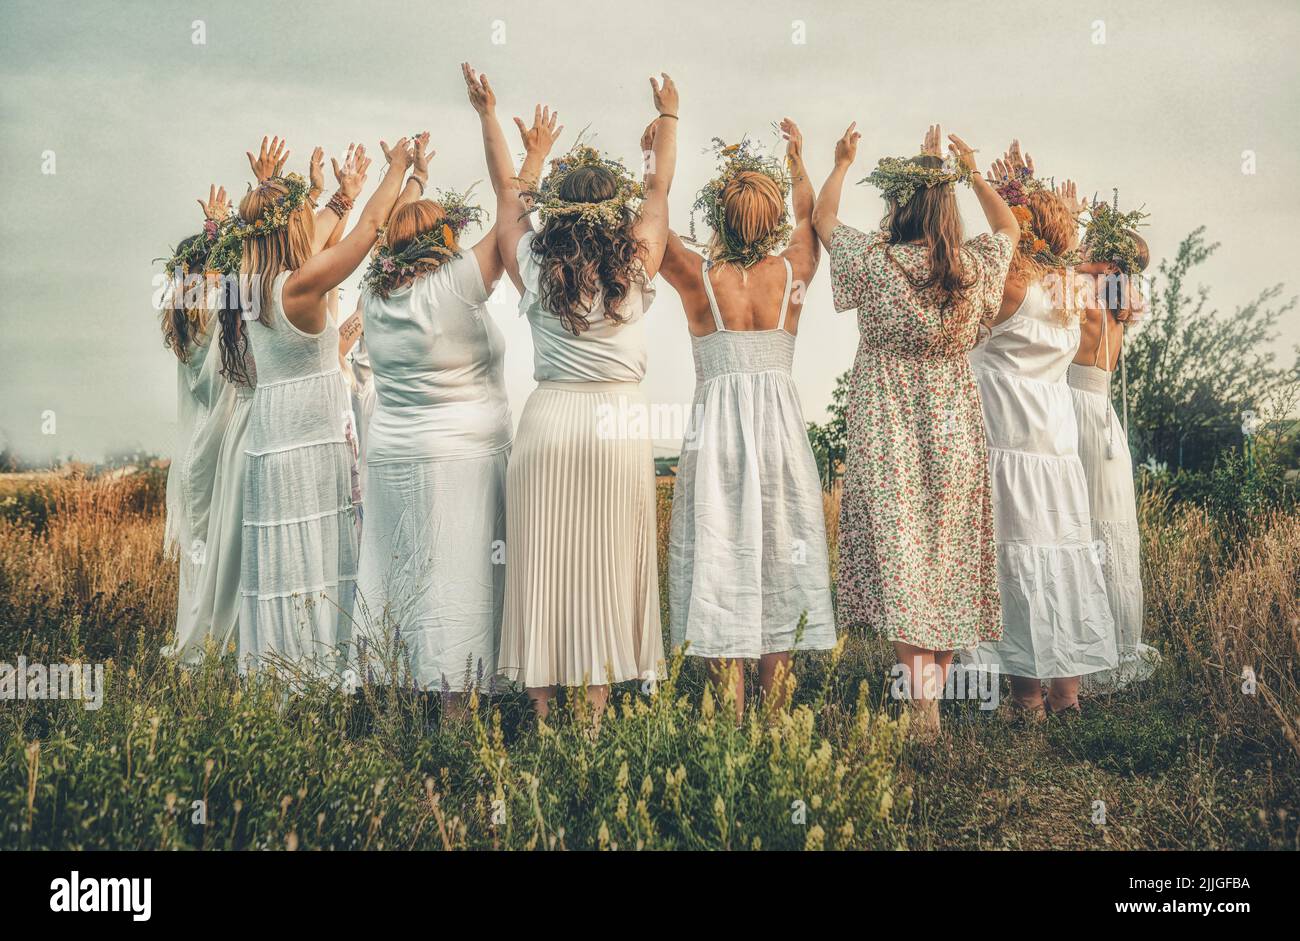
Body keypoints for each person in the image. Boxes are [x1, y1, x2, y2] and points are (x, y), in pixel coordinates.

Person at [465, 63, 676, 719]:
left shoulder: (532, 261)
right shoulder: (636, 258)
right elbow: (660, 189)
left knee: (543, 571)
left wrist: (512, 138)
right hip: (616, 424)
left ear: (556, 210)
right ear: (614, 211)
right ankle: (592, 714)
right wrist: (668, 119)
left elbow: (509, 200)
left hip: (549, 421)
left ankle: (543, 713)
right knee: (606, 571)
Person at [812, 123, 1018, 737]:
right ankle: (932, 691)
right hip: (954, 417)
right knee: (948, 557)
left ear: (897, 205)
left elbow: (824, 221)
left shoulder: (874, 262)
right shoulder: (974, 267)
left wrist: (844, 163)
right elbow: (1008, 230)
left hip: (888, 421)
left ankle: (922, 703)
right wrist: (972, 172)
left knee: (904, 556)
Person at [659, 122, 836, 719]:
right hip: (780, 437)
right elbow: (811, 222)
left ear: (720, 214)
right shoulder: (793, 271)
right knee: (780, 562)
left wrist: (657, 151)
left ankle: (729, 718)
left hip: (718, 437)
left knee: (721, 559)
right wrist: (800, 162)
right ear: (773, 220)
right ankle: (777, 717)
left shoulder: (697, 276)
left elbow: (651, 229)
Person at [232, 133, 415, 677]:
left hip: (272, 437)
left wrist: (334, 194)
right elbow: (367, 235)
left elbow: (304, 234)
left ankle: (278, 672)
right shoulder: (299, 286)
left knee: (283, 559)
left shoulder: (250, 282)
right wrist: (398, 172)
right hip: (309, 439)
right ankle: (314, 674)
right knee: (314, 553)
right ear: (291, 228)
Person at [354, 119, 510, 710]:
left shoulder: (373, 295)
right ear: (446, 241)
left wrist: (413, 177)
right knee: (459, 587)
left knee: (396, 578)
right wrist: (531, 155)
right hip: (463, 460)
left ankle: (389, 707)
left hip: (393, 459)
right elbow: (510, 217)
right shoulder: (461, 280)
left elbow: (393, 234)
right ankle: (455, 721)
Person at [960, 143, 1118, 716]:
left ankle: (1026, 697)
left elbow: (988, 260)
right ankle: (1067, 693)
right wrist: (1061, 221)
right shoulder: (1073, 292)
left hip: (1006, 443)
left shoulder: (1007, 287)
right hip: (1056, 450)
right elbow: (1067, 256)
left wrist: (998, 195)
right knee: (1062, 560)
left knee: (1014, 563)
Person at [1069, 195, 1160, 689]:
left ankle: (1079, 650)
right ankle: (1116, 643)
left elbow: (1055, 274)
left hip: (1075, 416)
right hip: (1107, 425)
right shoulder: (1118, 310)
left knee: (1077, 530)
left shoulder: (1080, 301)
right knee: (1108, 531)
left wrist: (1076, 236)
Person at [160, 185, 235, 662]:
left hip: (193, 451)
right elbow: (227, 285)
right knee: (215, 554)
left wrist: (216, 231)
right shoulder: (208, 313)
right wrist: (219, 229)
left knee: (200, 556)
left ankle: (200, 639)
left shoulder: (182, 321)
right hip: (211, 448)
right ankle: (209, 648)